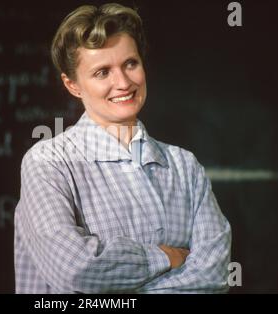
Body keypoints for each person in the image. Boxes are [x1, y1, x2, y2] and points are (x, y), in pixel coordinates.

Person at [14, 3, 232, 293]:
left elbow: (215, 275)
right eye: (102, 72)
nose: (123, 82)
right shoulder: (48, 163)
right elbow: (75, 269)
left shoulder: (184, 166)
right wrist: (165, 256)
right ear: (73, 85)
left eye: (131, 64)